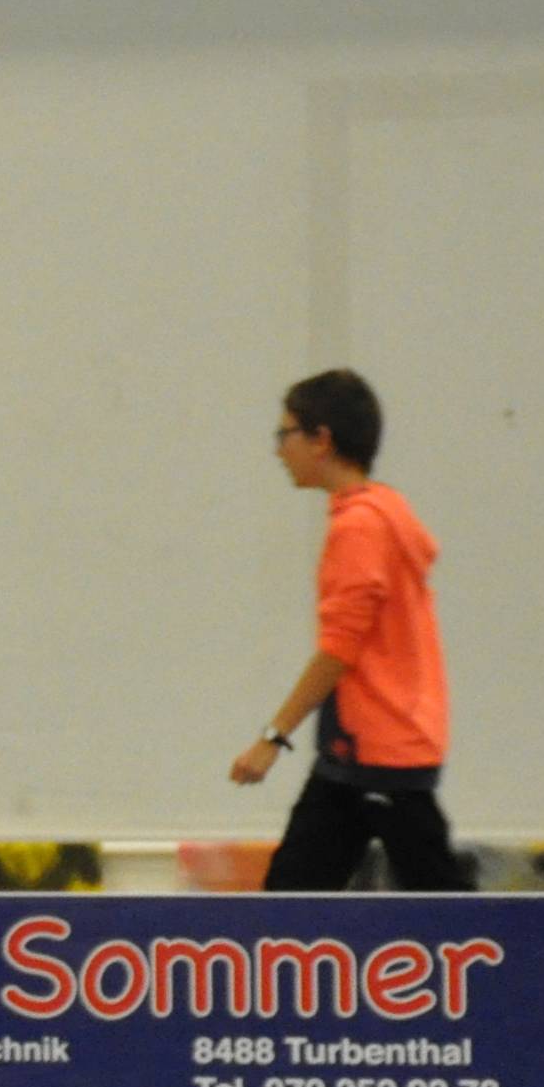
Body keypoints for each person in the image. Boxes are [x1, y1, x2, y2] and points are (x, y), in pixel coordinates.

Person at [234, 371, 467, 891]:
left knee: (443, 906)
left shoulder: (358, 528)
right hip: (370, 752)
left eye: (285, 435)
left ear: (322, 440)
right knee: (292, 900)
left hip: (375, 750)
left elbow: (338, 650)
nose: (279, 450)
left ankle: (506, 947)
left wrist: (273, 737)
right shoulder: (387, 512)